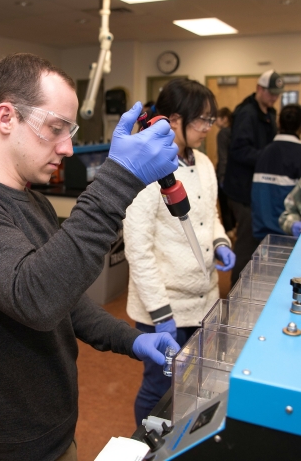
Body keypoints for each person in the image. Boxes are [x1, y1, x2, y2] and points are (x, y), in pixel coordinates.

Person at [0, 53, 180, 461]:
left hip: (57, 437)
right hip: (3, 451)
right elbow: (35, 299)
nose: (68, 147)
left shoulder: (35, 203)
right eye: (56, 128)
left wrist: (132, 338)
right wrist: (119, 180)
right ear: (6, 118)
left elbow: (65, 301)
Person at [123, 78, 236, 425]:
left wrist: (220, 243)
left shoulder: (202, 162)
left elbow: (211, 217)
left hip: (202, 300)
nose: (207, 127)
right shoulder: (148, 168)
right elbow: (138, 246)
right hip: (163, 308)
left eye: (210, 120)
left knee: (192, 384)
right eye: (201, 120)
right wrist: (160, 313)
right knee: (159, 389)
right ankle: (149, 447)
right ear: (173, 120)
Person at [223, 69, 284, 285]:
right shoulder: (247, 113)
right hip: (241, 191)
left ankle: (249, 286)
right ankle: (235, 292)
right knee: (247, 240)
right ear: (259, 89)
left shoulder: (269, 113)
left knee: (255, 240)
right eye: (270, 93)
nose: (274, 97)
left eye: (277, 93)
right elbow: (238, 150)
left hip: (256, 189)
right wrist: (268, 157)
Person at [251, 104, 301, 239]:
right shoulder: (298, 154)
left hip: (262, 232)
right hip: (289, 234)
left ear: (278, 123)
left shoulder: (263, 153)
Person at [215, 107, 235, 235]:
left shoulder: (222, 133)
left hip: (224, 174)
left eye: (217, 118)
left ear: (225, 119)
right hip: (234, 176)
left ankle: (229, 232)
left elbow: (223, 158)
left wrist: (221, 176)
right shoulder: (235, 132)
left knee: (224, 207)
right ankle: (234, 230)